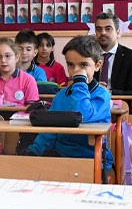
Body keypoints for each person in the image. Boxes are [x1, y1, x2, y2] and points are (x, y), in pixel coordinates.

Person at [25, 36, 113, 180]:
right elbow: (50, 131)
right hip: (62, 154)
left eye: (83, 65)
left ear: (97, 65)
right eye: (71, 65)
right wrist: (34, 151)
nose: (76, 70)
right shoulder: (61, 95)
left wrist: (79, 81)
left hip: (91, 157)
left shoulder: (102, 95)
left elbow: (82, 114)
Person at [93, 13, 132, 96]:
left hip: (121, 104)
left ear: (117, 32)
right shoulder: (89, 55)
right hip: (93, 104)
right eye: (99, 29)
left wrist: (109, 93)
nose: (103, 33)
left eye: (108, 29)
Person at [0, 37, 39, 106]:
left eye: (7, 56)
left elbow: (32, 109)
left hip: (21, 116)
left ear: (16, 58)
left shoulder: (29, 80)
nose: (3, 60)